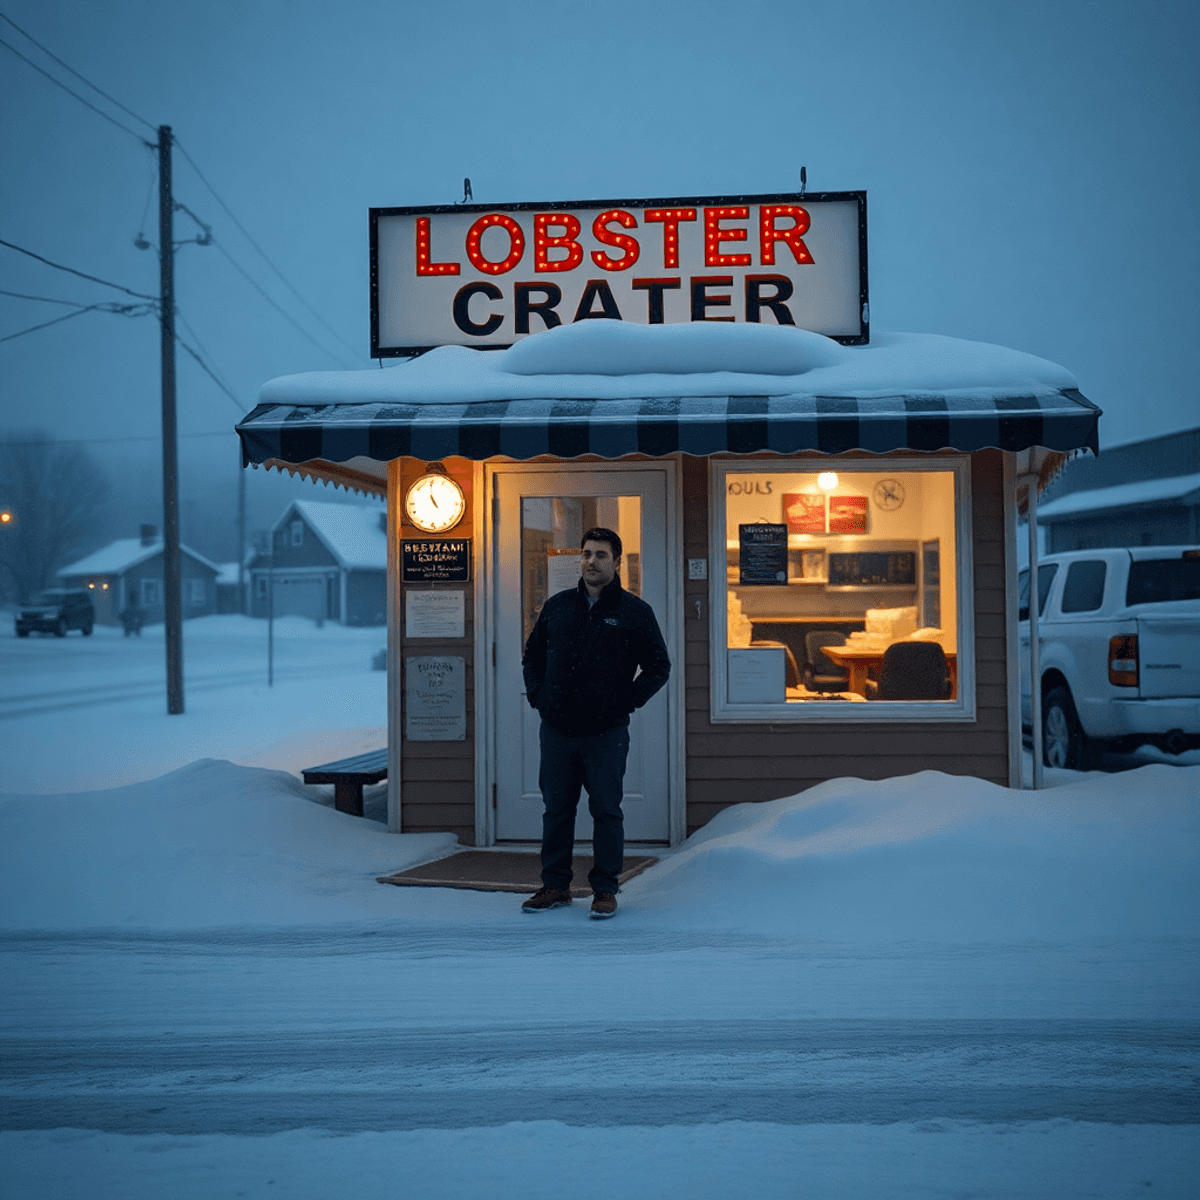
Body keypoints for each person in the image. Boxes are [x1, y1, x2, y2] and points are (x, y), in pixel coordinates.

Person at [520, 527, 670, 919]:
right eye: (587, 554)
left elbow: (659, 666)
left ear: (617, 562)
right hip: (557, 731)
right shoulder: (557, 607)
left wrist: (626, 701)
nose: (591, 561)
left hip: (606, 733)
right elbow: (531, 656)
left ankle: (605, 889)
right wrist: (540, 697)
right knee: (557, 810)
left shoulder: (634, 613)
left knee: (605, 810)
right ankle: (555, 885)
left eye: (601, 555)